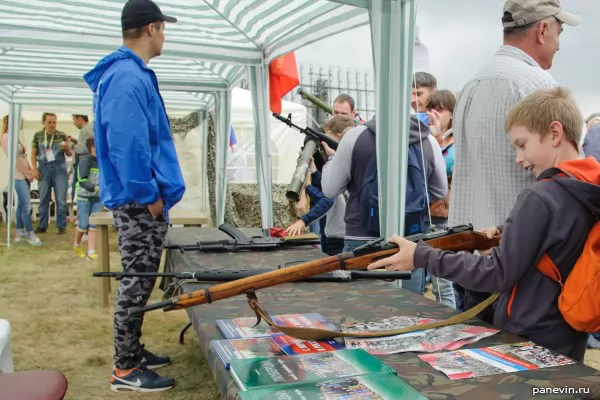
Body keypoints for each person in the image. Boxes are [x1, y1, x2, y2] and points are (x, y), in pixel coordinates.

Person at [367, 87, 591, 362]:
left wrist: (422, 255)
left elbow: (497, 273)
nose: (519, 158)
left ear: (555, 133)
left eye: (522, 144)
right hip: (569, 334)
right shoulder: (588, 186)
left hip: (530, 338)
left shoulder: (541, 196)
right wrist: (508, 233)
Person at [447, 0, 579, 320]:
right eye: (559, 32)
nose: (559, 44)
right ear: (543, 29)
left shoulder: (472, 85)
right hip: (521, 274)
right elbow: (572, 182)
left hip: (473, 261)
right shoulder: (538, 87)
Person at [83, 0, 185, 392]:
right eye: (163, 28)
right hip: (139, 200)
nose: (164, 36)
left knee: (140, 278)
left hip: (140, 197)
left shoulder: (128, 73)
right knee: (137, 280)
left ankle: (133, 352)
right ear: (152, 28)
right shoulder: (127, 76)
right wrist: (149, 196)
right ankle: (124, 369)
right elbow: (128, 145)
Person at [286, 115, 356, 255]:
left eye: (328, 140)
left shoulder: (341, 164)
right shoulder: (350, 161)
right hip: (339, 233)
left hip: (338, 237)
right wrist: (314, 172)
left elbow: (328, 198)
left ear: (338, 137)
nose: (325, 145)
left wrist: (303, 221)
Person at [0, 115, 42, 246]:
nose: (22, 122)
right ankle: (30, 233)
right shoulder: (6, 137)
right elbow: (15, 159)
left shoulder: (15, 137)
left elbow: (22, 157)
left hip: (24, 174)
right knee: (27, 206)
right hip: (18, 175)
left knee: (21, 205)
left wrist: (30, 170)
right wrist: (26, 172)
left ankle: (20, 231)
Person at [31, 112, 71, 234]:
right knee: (43, 198)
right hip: (44, 168)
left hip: (59, 168)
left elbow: (69, 154)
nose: (52, 124)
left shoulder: (62, 135)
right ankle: (42, 225)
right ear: (44, 122)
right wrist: (34, 169)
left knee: (61, 199)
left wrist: (67, 149)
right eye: (49, 122)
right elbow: (33, 153)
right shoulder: (38, 136)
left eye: (54, 122)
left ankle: (61, 226)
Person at [73, 137, 101, 261]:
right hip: (84, 197)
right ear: (92, 147)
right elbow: (82, 180)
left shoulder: (102, 161)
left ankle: (91, 251)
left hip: (96, 198)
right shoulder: (85, 161)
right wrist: (94, 188)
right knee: (83, 224)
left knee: (93, 225)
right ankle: (77, 244)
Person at [70, 114, 94, 202]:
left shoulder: (85, 130)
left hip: (85, 164)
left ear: (79, 119)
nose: (74, 123)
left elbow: (83, 149)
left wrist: (71, 145)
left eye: (74, 120)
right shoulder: (92, 127)